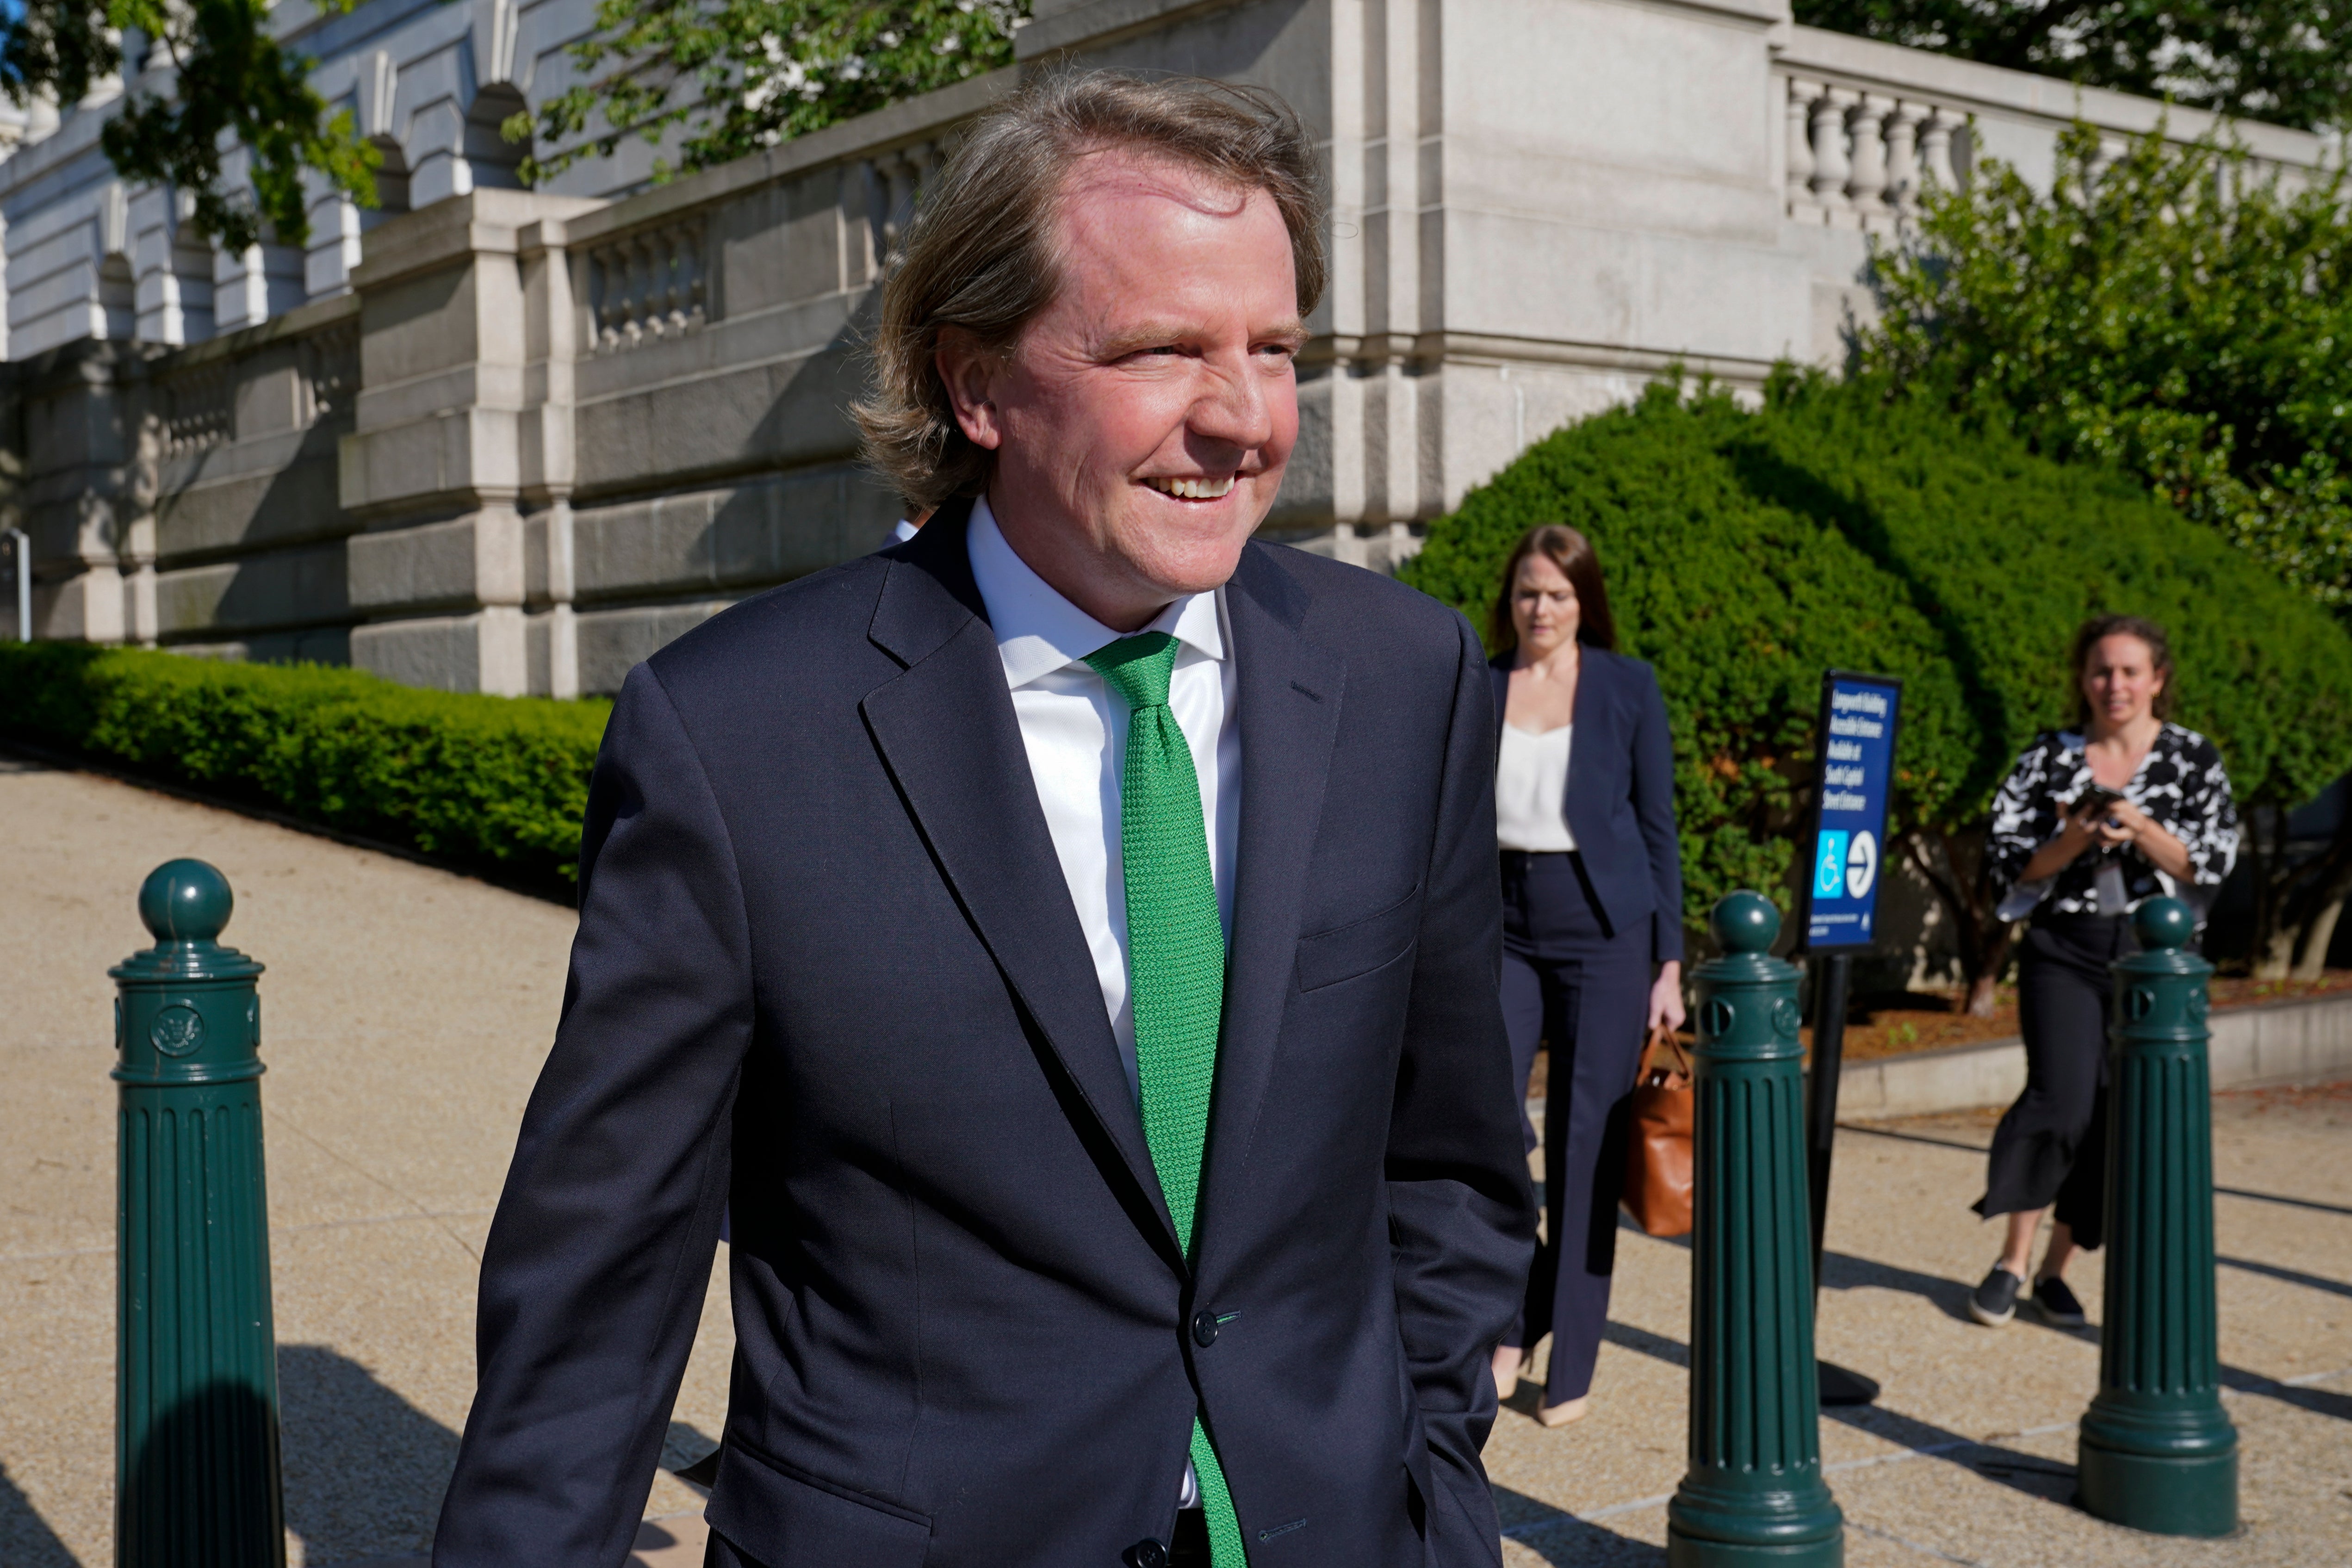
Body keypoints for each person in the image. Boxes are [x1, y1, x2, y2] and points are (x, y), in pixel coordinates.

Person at [430, 72, 1534, 1568]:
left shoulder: (1407, 681)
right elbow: (600, 1287)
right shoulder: (739, 736)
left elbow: (1446, 1157)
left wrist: (1432, 1481)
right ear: (976, 384)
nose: (1243, 419)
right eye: (1161, 349)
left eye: (1271, 348)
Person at [1968, 614, 2238, 1329]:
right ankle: (2011, 1260)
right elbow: (2008, 864)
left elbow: (2208, 865)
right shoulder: (2047, 758)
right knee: (2061, 1100)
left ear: (2157, 679)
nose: (2113, 684)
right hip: (2065, 944)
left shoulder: (2192, 757)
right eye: (2100, 671)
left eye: (2128, 671)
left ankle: (2059, 1267)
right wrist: (2074, 836)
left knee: (2117, 1116)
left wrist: (2140, 825)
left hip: (2155, 960)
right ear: (2082, 680)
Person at [1480, 525, 1684, 1428]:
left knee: (1585, 1138)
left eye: (1557, 595)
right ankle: (1511, 1315)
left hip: (1604, 929)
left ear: (1582, 602)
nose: (1540, 609)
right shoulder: (1480, 684)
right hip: (1502, 923)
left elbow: (1656, 826)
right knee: (1483, 1125)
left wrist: (1668, 962)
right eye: (1528, 592)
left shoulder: (1625, 687)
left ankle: (1574, 1357)